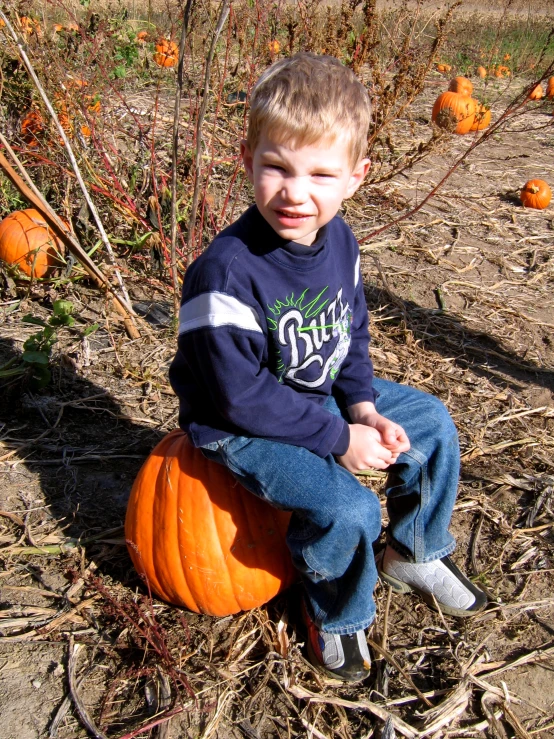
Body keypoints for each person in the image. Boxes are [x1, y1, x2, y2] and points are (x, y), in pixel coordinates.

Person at [169, 52, 487, 682]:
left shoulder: (339, 242)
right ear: (247, 160)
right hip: (239, 424)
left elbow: (350, 332)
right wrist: (340, 438)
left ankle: (415, 550)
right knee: (349, 510)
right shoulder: (225, 273)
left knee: (429, 423)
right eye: (276, 168)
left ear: (355, 177)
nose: (295, 192)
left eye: (320, 174)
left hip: (313, 394)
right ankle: (336, 613)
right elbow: (237, 395)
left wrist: (363, 404)